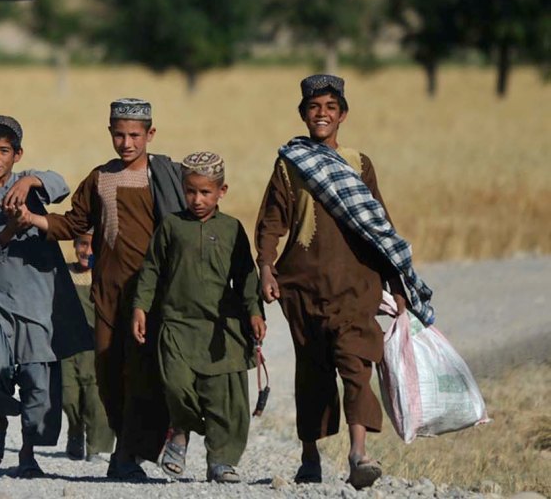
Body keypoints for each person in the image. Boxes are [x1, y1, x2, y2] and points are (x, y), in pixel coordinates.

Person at [254, 74, 432, 490]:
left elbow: (379, 227)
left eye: (330, 108)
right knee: (312, 369)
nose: (322, 115)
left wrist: (397, 283)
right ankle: (309, 455)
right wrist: (265, 266)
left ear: (343, 115)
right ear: (303, 114)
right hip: (304, 286)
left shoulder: (359, 164)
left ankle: (358, 454)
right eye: (314, 108)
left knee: (356, 364)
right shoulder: (290, 163)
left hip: (356, 284)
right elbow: (272, 222)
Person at [12, 98, 186, 480]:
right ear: (110, 133)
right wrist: (33, 219)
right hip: (107, 291)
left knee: (141, 374)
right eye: (119, 135)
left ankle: (130, 453)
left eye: (135, 135)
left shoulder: (165, 177)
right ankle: (124, 448)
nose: (127, 143)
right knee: (108, 373)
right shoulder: (99, 178)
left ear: (150, 134)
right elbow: (75, 223)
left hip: (150, 293)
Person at [0, 115, 91, 478]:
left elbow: (61, 185)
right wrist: (13, 226)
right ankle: (0, 419)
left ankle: (28, 454)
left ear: (17, 154)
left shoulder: (30, 185)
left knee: (37, 382)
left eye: (4, 151)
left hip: (37, 301)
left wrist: (30, 182)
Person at [131, 152, 265, 483]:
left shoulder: (231, 228)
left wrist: (254, 312)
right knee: (176, 387)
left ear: (222, 191)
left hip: (222, 327)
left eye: (205, 192)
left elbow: (246, 276)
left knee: (224, 398)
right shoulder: (172, 225)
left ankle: (221, 460)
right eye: (190, 191)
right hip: (177, 324)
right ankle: (179, 431)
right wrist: (140, 307)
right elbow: (152, 269)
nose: (197, 199)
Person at [62, 230, 115, 462]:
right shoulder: (62, 273)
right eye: (83, 244)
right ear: (75, 245)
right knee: (68, 397)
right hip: (66, 350)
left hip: (97, 350)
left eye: (94, 246)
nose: (87, 251)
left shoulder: (106, 276)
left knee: (97, 400)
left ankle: (97, 448)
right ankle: (75, 429)